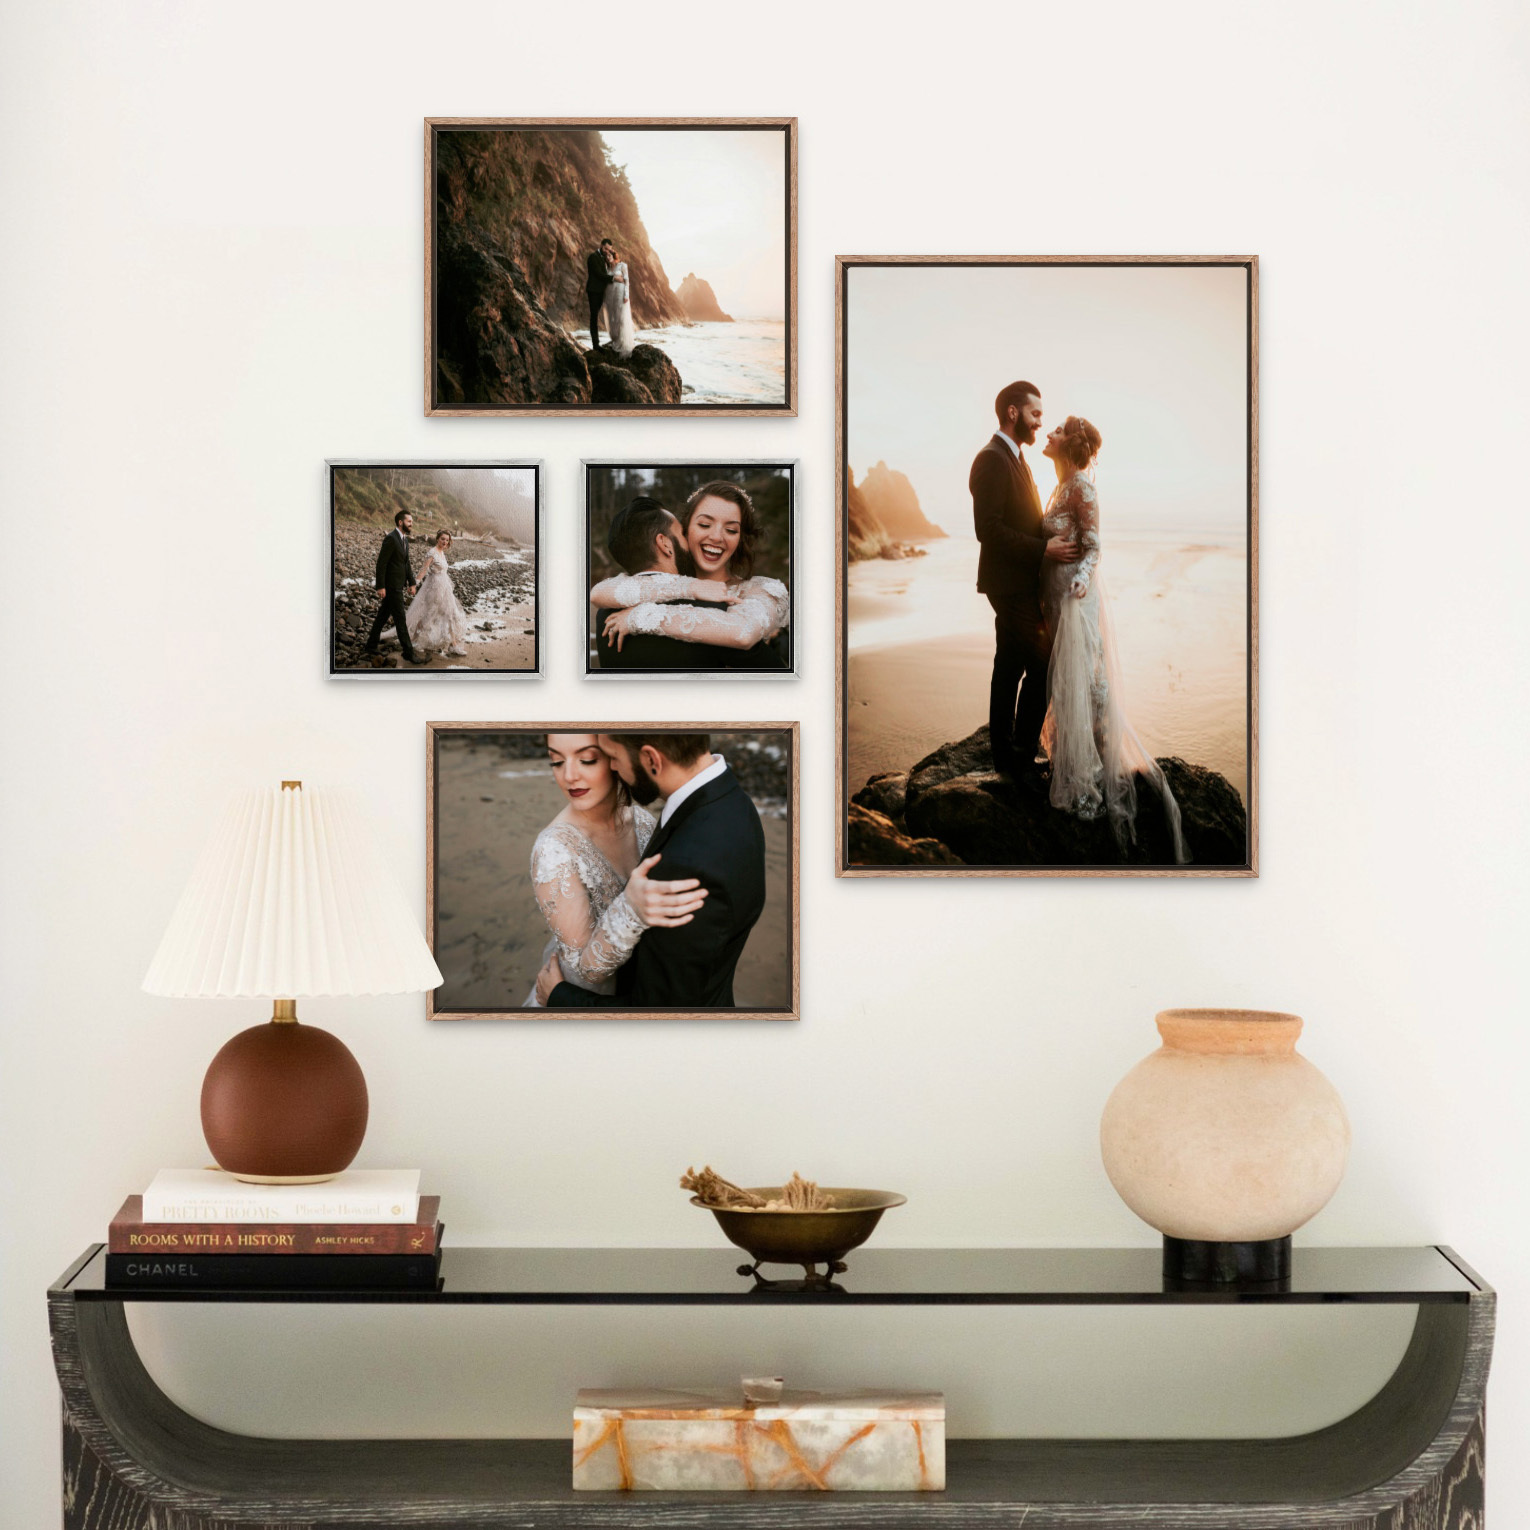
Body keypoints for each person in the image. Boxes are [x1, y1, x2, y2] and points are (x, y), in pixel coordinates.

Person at [1038, 416, 1188, 863]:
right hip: (1054, 596)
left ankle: (1089, 774)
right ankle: (1073, 755)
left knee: (1084, 681)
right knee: (1071, 682)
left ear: (1070, 445)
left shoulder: (1083, 486)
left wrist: (1081, 579)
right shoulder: (1061, 485)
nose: (1049, 433)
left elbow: (1094, 545)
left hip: (1073, 596)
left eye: (1057, 430)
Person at [539, 734, 766, 1008]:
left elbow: (663, 1008)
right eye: (556, 761)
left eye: (603, 757)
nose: (613, 767)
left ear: (651, 759)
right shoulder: (734, 803)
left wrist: (561, 998)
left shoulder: (677, 860)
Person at [969, 381, 1080, 786]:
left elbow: (1027, 520)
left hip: (1022, 583)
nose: (1039, 424)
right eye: (1036, 415)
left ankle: (1006, 756)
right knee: (1044, 661)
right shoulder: (992, 459)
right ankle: (1019, 751)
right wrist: (1043, 550)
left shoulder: (1017, 459)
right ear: (1013, 413)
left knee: (1010, 664)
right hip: (1007, 585)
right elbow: (989, 530)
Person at [594, 483, 789, 669]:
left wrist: (640, 616)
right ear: (686, 530)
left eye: (731, 530)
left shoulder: (761, 589)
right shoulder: (651, 582)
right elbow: (598, 593)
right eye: (705, 525)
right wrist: (693, 586)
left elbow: (743, 633)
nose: (716, 537)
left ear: (740, 538)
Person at [364, 509, 427, 665]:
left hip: (399, 584)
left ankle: (371, 645)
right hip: (391, 586)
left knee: (383, 615)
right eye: (409, 521)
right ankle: (408, 652)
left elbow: (406, 564)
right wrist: (380, 586)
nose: (411, 524)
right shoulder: (391, 538)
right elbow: (381, 563)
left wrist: (411, 582)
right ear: (400, 522)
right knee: (400, 619)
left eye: (411, 521)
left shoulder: (404, 540)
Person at [405, 530, 470, 658]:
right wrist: (415, 583)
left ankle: (453, 645)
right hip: (434, 589)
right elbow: (424, 569)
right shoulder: (432, 552)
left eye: (447, 540)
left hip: (445, 589)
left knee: (450, 615)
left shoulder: (442, 552)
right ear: (437, 539)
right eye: (442, 539)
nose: (445, 542)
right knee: (428, 615)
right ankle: (414, 641)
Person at [602, 245, 636, 358]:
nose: (608, 257)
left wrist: (626, 295)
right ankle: (615, 340)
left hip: (620, 293)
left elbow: (626, 281)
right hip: (610, 295)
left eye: (609, 255)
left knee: (620, 317)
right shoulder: (607, 269)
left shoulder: (622, 265)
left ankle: (623, 343)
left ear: (613, 255)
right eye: (606, 256)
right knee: (612, 318)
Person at [585, 238, 615, 351]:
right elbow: (599, 274)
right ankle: (595, 345)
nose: (607, 251)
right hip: (593, 291)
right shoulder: (593, 257)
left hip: (601, 291)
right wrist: (614, 278)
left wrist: (610, 262)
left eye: (609, 250)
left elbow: (606, 271)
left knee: (596, 316)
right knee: (594, 317)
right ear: (601, 245)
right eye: (606, 248)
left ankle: (598, 343)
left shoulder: (605, 259)